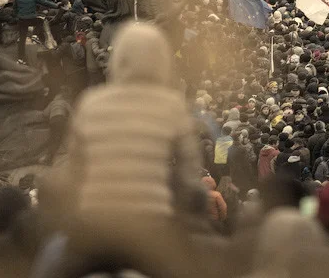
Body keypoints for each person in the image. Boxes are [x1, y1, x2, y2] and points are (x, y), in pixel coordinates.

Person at [33, 23, 204, 278]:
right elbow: (190, 175)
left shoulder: (91, 102)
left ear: (118, 57)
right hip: (152, 230)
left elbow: (74, 168)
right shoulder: (172, 105)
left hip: (95, 227)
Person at [13, 0, 59, 64]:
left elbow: (14, 7)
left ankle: (20, 58)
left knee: (22, 39)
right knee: (41, 21)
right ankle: (35, 35)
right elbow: (45, 2)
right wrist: (56, 6)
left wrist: (16, 16)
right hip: (31, 19)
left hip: (21, 20)